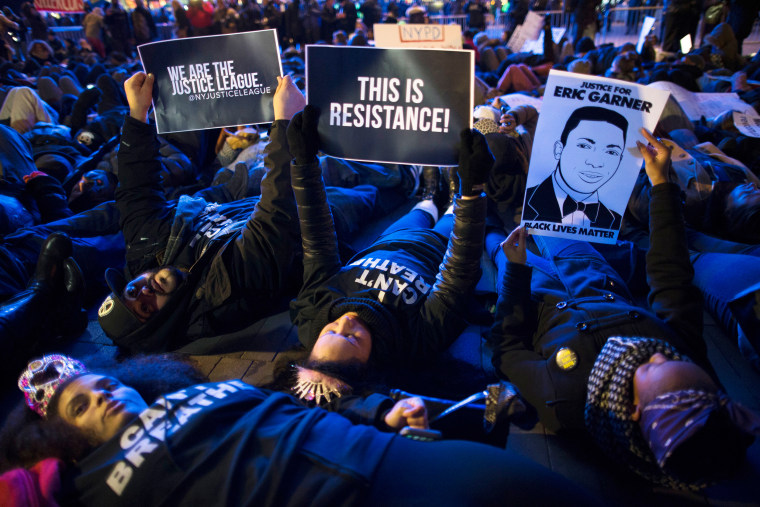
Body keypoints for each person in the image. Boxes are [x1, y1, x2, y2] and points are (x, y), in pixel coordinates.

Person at [488, 129, 760, 490]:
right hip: (588, 271)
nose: (656, 355)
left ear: (634, 410)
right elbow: (671, 274)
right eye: (670, 357)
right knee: (540, 210)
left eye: (650, 368)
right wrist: (662, 185)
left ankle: (473, 198)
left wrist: (517, 272)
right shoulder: (680, 355)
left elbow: (507, 348)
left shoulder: (566, 400)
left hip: (534, 293)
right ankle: (507, 162)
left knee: (492, 238)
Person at [0, 353, 595, 505]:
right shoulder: (97, 487)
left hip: (387, 454)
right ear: (68, 443)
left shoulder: (204, 388)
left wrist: (379, 412)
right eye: (81, 409)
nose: (102, 397)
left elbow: (303, 405)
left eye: (102, 385)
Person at [95, 73, 377, 353]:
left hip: (246, 194)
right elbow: (276, 216)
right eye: (145, 308)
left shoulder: (145, 252)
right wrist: (284, 126)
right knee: (359, 177)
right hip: (309, 216)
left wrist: (137, 113)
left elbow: (136, 190)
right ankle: (405, 175)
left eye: (132, 291)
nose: (145, 292)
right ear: (163, 323)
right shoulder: (221, 297)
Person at [288, 105, 493, 391]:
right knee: (452, 215)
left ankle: (431, 196)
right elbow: (458, 274)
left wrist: (304, 164)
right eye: (351, 338)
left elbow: (317, 241)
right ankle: (450, 200)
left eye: (331, 331)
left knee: (422, 209)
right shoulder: (414, 341)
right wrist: (472, 190)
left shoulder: (313, 315)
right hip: (438, 249)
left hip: (391, 238)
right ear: (372, 362)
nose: (345, 322)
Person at [522, 106, 627, 230]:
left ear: (620, 160)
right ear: (559, 149)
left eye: (611, 152)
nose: (595, 163)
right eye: (584, 146)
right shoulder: (523, 201)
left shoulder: (615, 219)